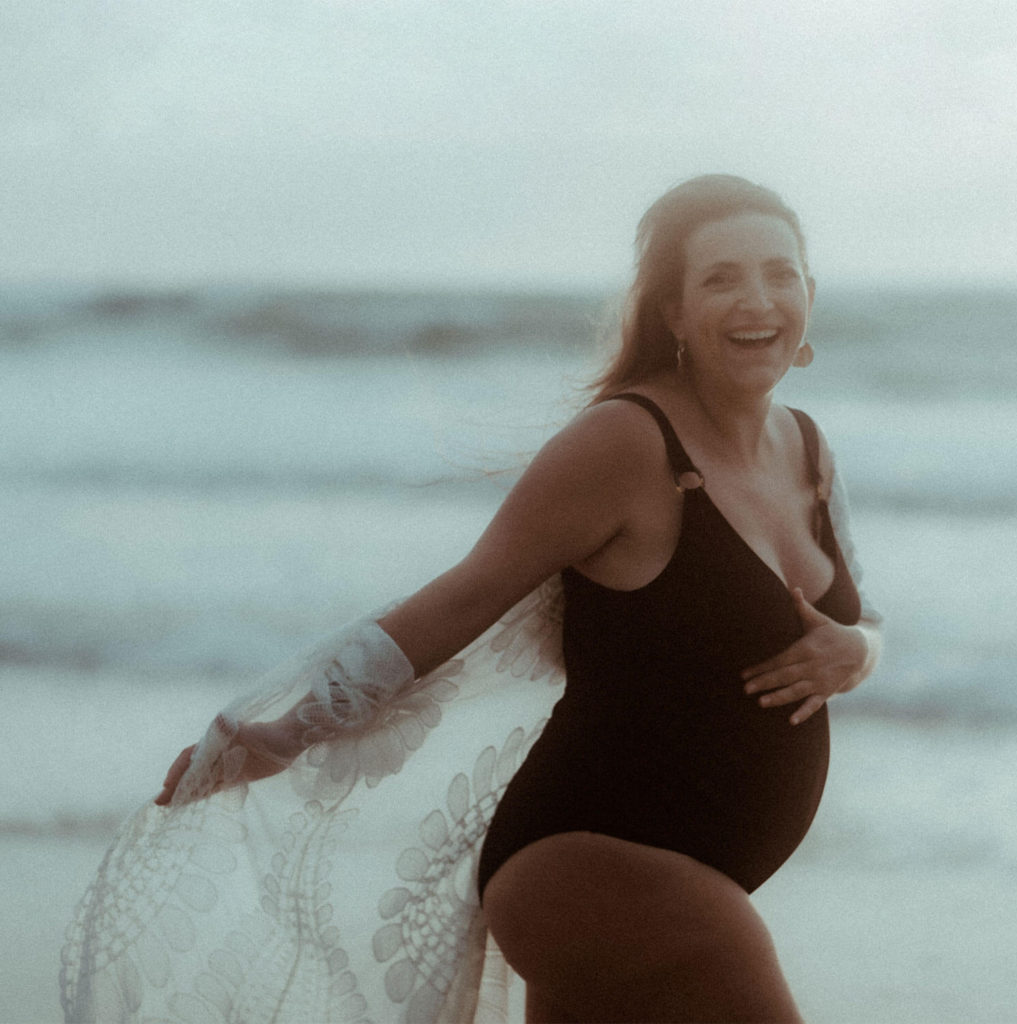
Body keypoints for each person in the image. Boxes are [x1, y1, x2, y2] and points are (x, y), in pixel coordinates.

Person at [63, 174, 881, 1024]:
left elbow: (864, 621)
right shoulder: (628, 442)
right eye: (721, 278)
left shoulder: (807, 446)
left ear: (809, 294)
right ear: (672, 312)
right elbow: (461, 598)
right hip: (585, 868)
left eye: (779, 273)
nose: (758, 299)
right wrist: (284, 733)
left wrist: (861, 654)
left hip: (685, 877)